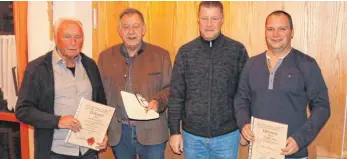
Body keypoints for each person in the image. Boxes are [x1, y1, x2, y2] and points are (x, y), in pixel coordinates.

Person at [234, 10, 331, 158]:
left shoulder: (307, 64)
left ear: (292, 32)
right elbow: (241, 99)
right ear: (265, 32)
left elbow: (322, 107)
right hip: (259, 152)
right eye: (270, 29)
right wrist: (244, 124)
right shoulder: (252, 64)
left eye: (282, 29)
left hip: (293, 153)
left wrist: (300, 139)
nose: (275, 34)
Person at [15, 18, 108, 159]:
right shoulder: (37, 68)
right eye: (67, 37)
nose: (73, 42)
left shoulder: (90, 65)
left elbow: (101, 103)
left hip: (88, 151)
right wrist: (57, 121)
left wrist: (103, 132)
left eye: (78, 37)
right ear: (55, 38)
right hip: (55, 152)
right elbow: (23, 110)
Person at [168, 1, 249, 159]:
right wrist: (174, 132)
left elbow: (245, 93)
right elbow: (176, 95)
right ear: (198, 19)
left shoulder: (237, 50)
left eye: (214, 18)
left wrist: (244, 125)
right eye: (204, 18)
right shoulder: (186, 52)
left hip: (227, 136)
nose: (209, 24)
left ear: (222, 19)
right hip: (192, 138)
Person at [97, 8, 172, 159]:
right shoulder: (105, 57)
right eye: (126, 27)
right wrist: (99, 130)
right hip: (119, 133)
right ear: (119, 30)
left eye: (136, 26)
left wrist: (158, 102)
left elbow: (171, 89)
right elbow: (100, 96)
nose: (131, 31)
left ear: (143, 29)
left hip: (153, 133)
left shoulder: (161, 55)